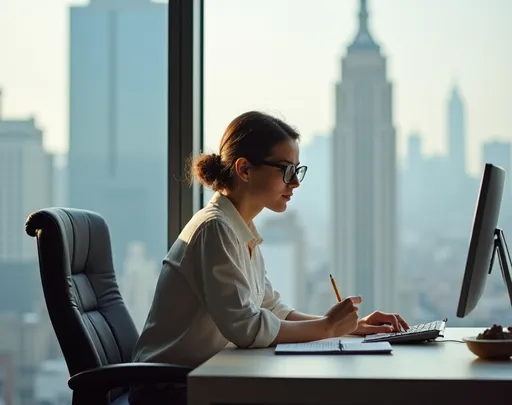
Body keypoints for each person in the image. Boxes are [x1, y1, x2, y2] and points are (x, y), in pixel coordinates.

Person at [128, 111, 408, 405]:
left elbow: (271, 308)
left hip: (205, 378)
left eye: (298, 171)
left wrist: (350, 327)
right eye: (287, 170)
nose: (295, 183)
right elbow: (246, 328)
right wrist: (326, 327)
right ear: (245, 169)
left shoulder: (240, 227)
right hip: (166, 389)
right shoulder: (216, 229)